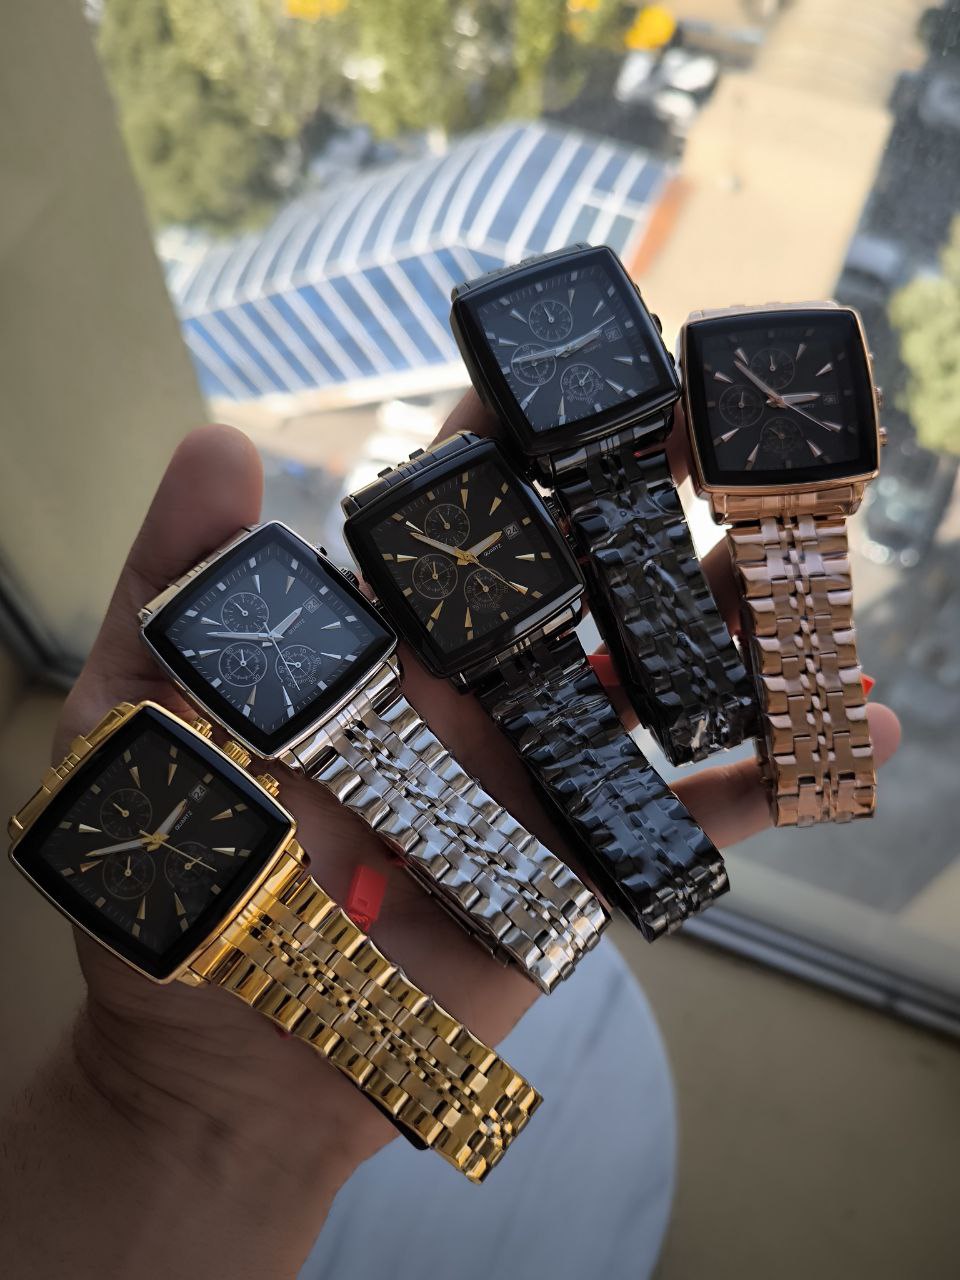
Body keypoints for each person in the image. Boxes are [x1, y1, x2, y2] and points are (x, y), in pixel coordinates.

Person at [0, 397, 900, 1278]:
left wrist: (169, 1116)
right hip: (325, 752)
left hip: (370, 712)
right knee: (443, 818)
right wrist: (163, 1103)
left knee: (468, 804)